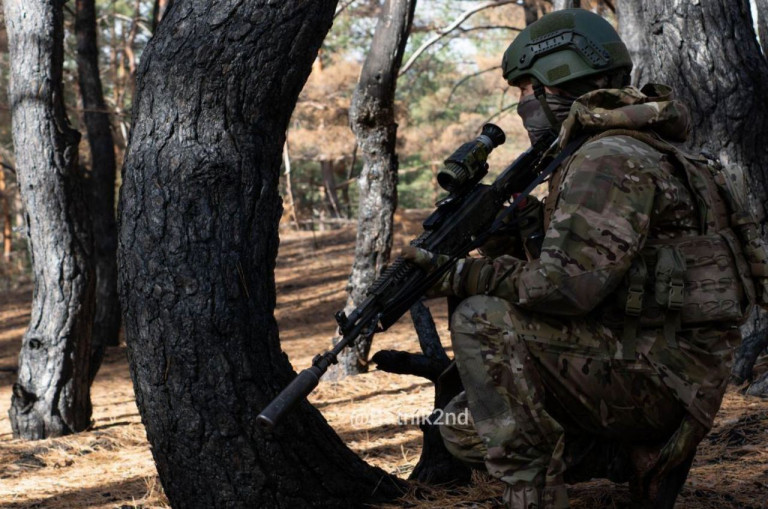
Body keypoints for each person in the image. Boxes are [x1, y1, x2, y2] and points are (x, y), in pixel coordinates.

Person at [402, 8, 756, 509]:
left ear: (560, 81)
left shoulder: (606, 158)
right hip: (676, 368)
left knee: (482, 321)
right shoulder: (642, 146)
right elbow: (598, 277)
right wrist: (510, 236)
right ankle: (631, 457)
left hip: (660, 377)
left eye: (526, 90)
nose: (523, 106)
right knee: (466, 424)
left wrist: (462, 273)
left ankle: (535, 496)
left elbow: (568, 289)